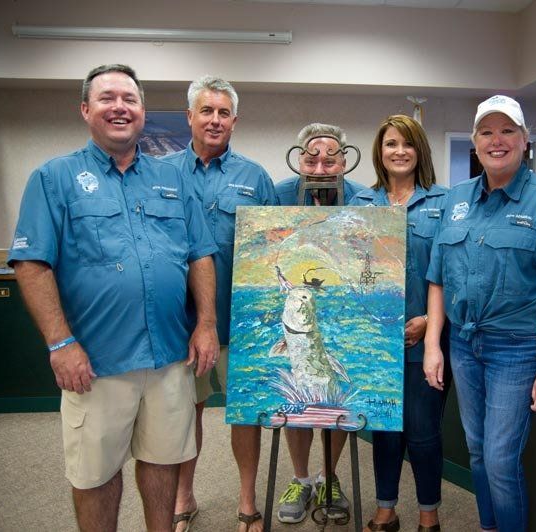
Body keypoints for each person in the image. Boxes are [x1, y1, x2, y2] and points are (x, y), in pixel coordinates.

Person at [7, 64, 219, 532]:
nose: (120, 107)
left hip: (168, 355)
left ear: (142, 111)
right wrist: (61, 344)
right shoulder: (54, 178)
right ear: (86, 110)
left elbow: (200, 253)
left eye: (130, 98)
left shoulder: (173, 178)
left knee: (164, 460)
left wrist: (206, 323)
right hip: (97, 362)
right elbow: (31, 263)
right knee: (95, 475)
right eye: (107, 98)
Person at [423, 95, 536, 532]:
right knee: (477, 450)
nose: (496, 140)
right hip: (463, 344)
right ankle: (489, 525)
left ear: (524, 140)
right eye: (486, 132)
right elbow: (438, 278)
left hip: (516, 349)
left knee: (500, 459)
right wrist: (432, 347)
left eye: (507, 131)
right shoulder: (456, 198)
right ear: (475, 143)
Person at [162, 75, 278, 532]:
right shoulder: (163, 174)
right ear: (189, 116)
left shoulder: (255, 178)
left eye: (223, 113)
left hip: (242, 324)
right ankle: (184, 498)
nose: (214, 120)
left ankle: (247, 501)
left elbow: (274, 250)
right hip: (180, 323)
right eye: (205, 111)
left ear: (235, 120)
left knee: (244, 414)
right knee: (183, 415)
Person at [349, 115, 450, 532]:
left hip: (428, 339)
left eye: (407, 144)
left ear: (420, 150)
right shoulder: (360, 205)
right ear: (380, 151)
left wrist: (429, 321)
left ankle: (430, 512)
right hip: (377, 342)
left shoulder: (445, 203)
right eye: (391, 143)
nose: (399, 151)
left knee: (424, 431)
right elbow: (351, 272)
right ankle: (386, 507)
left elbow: (453, 272)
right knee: (385, 431)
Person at [274, 123, 365, 524]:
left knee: (333, 390)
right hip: (299, 297)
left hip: (341, 302)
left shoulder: (364, 197)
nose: (321, 166)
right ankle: (300, 477)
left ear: (344, 161)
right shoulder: (278, 195)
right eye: (312, 158)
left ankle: (330, 477)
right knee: (297, 389)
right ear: (299, 159)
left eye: (331, 158)